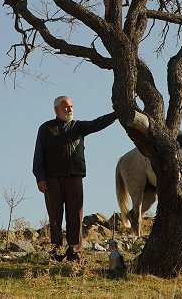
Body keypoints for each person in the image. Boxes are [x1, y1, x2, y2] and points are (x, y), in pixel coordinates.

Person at [32, 95, 118, 261]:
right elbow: (38, 155)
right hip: (52, 179)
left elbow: (97, 123)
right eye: (66, 107)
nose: (70, 109)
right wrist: (40, 178)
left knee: (75, 216)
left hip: (74, 178)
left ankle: (74, 252)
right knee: (55, 217)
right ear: (56, 109)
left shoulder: (78, 126)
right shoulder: (46, 128)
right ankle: (55, 252)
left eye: (71, 106)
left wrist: (116, 114)